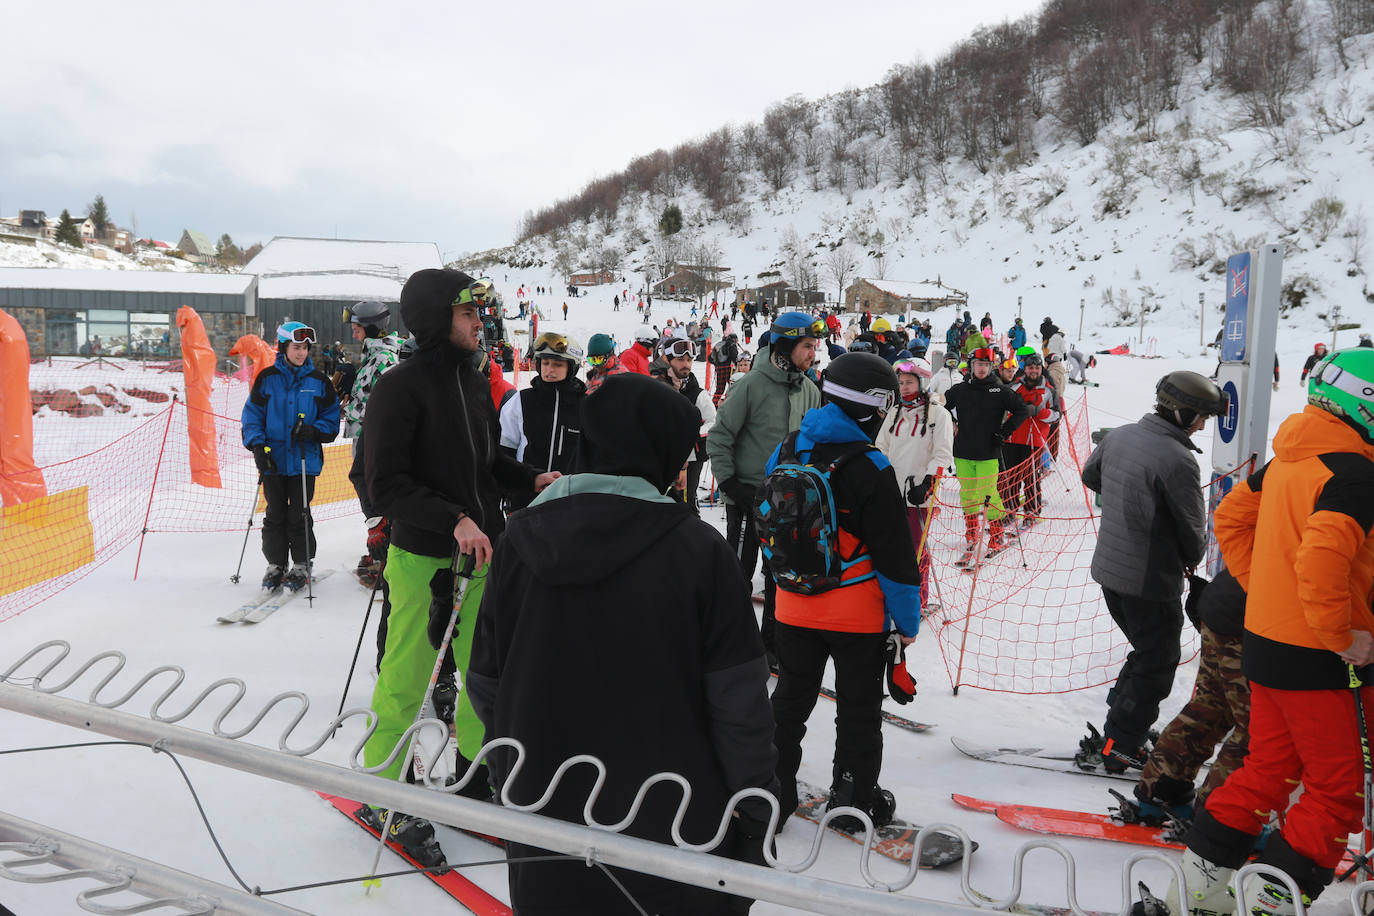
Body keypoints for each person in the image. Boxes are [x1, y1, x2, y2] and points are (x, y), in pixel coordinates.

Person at [469, 373, 777, 916]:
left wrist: (512, 771)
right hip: (674, 822)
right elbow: (739, 704)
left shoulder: (520, 538)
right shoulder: (699, 551)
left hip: (545, 808)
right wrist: (755, 805)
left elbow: (488, 682)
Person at [358, 269, 557, 869]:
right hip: (425, 556)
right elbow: (384, 483)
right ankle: (385, 791)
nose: (480, 324)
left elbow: (484, 460)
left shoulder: (472, 382)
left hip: (481, 552)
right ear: (437, 317)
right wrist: (452, 519)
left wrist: (527, 479)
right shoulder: (400, 386)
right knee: (409, 676)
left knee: (484, 672)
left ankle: (475, 776)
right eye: (470, 314)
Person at [1178, 347, 1374, 916]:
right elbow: (1319, 562)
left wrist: (1268, 588)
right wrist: (1341, 634)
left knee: (1265, 771)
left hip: (1266, 642)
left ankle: (1196, 892)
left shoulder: (1295, 454)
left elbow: (1231, 518)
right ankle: (1271, 906)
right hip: (1320, 659)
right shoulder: (1356, 473)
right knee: (1335, 792)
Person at [767, 352, 922, 831]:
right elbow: (896, 557)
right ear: (870, 406)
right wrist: (907, 622)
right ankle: (854, 799)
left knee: (789, 702)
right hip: (856, 618)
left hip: (792, 606)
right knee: (857, 711)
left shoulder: (789, 448)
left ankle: (770, 788)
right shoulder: (872, 466)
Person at [1076, 371, 1224, 774]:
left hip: (1110, 570)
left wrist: (1129, 504)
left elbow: (1091, 476)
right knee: (1158, 661)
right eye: (1201, 417)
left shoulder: (1120, 435)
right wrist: (1185, 553)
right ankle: (1122, 743)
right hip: (1148, 579)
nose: (1202, 425)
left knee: (1147, 654)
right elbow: (1194, 532)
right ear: (1183, 413)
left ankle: (1121, 732)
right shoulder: (1177, 459)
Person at [706, 312, 822, 669]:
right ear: (785, 346)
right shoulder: (751, 385)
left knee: (780, 578)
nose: (812, 353)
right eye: (806, 346)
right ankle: (727, 642)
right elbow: (720, 436)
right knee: (738, 573)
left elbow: (812, 442)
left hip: (787, 505)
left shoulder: (809, 389)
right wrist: (728, 484)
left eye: (814, 346)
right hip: (747, 498)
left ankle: (771, 643)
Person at [1119, 568, 1249, 828]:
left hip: (1224, 602)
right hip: (1252, 617)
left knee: (1212, 705)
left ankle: (1159, 791)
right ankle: (1222, 819)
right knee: (1260, 727)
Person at [241, 321, 341, 592]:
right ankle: (276, 564)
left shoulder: (318, 382)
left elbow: (332, 419)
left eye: (305, 348)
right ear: (284, 347)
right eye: (296, 347)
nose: (301, 353)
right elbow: (252, 416)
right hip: (273, 460)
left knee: (299, 513)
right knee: (274, 513)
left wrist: (313, 430)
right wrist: (258, 446)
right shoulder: (267, 379)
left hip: (303, 460)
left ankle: (301, 563)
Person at [875, 357, 953, 613]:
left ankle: (917, 599)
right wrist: (880, 475)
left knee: (915, 550)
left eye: (910, 382)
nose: (905, 387)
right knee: (893, 548)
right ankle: (894, 596)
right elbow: (881, 447)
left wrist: (929, 481)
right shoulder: (895, 413)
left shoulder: (937, 414)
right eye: (901, 383)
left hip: (918, 494)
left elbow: (942, 454)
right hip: (892, 492)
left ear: (921, 382)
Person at [942, 347, 1029, 566]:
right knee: (968, 494)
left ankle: (997, 535)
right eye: (978, 365)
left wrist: (1004, 432)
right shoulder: (960, 390)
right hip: (962, 451)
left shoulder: (999, 391)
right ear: (971, 367)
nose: (981, 369)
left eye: (986, 365)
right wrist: (950, 423)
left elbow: (1022, 411)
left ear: (991, 368)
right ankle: (971, 533)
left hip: (988, 452)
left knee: (989, 493)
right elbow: (941, 409)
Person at [341, 300, 404, 587]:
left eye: (356, 329)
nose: (353, 335)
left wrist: (351, 408)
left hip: (375, 440)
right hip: (365, 436)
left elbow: (383, 406)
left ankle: (388, 558)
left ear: (369, 328)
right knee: (368, 491)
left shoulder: (384, 360)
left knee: (375, 494)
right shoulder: (373, 356)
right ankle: (382, 553)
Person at [499, 331, 586, 510]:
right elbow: (505, 449)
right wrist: (509, 490)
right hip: (526, 499)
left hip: (570, 502)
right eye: (545, 363)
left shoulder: (586, 406)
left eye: (557, 364)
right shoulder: (522, 400)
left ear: (572, 367)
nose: (549, 370)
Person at [998, 353, 1059, 534]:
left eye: (1037, 368)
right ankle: (1010, 511)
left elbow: (1056, 416)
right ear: (1025, 369)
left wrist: (1039, 412)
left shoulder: (1049, 391)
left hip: (1034, 440)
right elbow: (1003, 406)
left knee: (1030, 478)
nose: (1033, 371)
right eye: (1031, 368)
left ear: (1041, 369)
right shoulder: (1014, 386)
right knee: (1011, 478)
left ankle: (1032, 512)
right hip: (1012, 438)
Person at [660, 337, 715, 514]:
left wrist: (690, 435)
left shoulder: (697, 394)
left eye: (689, 360)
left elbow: (713, 422)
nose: (686, 365)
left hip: (691, 458)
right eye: (680, 360)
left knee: (685, 502)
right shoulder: (660, 386)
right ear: (667, 360)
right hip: (664, 456)